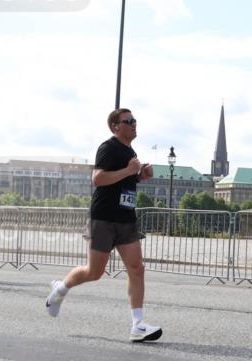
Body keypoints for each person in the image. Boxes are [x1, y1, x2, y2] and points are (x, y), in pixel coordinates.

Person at [45, 108, 163, 342]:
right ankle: (60, 289)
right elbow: (98, 178)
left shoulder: (130, 151)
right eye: (128, 121)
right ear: (115, 126)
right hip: (104, 218)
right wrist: (130, 170)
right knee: (94, 272)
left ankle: (138, 325)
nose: (134, 124)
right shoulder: (108, 147)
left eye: (135, 120)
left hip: (126, 217)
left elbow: (123, 180)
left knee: (137, 269)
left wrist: (140, 176)